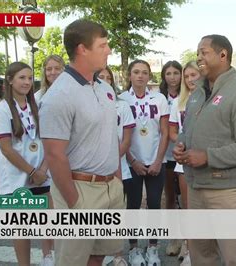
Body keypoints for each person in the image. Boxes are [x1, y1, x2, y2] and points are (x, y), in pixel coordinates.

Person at [173, 34, 236, 266]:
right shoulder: (197, 94)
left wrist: (208, 156)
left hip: (229, 191)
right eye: (197, 53)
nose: (198, 58)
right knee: (202, 256)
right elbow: (187, 130)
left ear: (223, 55)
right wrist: (181, 144)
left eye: (204, 52)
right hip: (197, 188)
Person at [39, 19, 125, 266]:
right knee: (72, 261)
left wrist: (116, 180)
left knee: (98, 255)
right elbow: (54, 155)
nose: (109, 50)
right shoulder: (59, 95)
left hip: (110, 187)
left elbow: (109, 138)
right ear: (81, 49)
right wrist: (74, 202)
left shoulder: (105, 88)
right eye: (103, 45)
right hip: (80, 190)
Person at [0, 62, 53, 266]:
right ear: (10, 80)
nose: (27, 82)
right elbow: (6, 149)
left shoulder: (36, 106)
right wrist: (32, 170)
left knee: (48, 223)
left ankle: (48, 259)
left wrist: (42, 169)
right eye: (21, 78)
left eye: (29, 78)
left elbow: (47, 142)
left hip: (41, 177)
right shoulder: (1, 110)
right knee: (21, 229)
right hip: (16, 180)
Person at [119, 59, 169, 266]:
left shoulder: (159, 98)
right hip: (132, 162)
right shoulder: (121, 99)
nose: (140, 76)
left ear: (149, 76)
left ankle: (153, 247)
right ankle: (133, 248)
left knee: (155, 204)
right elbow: (120, 135)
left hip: (156, 160)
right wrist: (132, 160)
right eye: (136, 72)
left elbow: (165, 132)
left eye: (145, 72)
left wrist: (158, 160)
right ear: (129, 75)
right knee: (132, 205)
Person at [97, 66, 135, 266]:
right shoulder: (90, 103)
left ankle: (118, 255)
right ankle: (98, 256)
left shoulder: (123, 106)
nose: (104, 80)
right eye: (100, 77)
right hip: (94, 169)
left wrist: (112, 157)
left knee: (117, 213)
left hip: (119, 167)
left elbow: (127, 139)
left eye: (107, 77)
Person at [168, 60, 201, 266]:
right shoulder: (178, 102)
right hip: (183, 162)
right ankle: (189, 248)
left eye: (194, 75)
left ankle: (206, 250)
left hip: (206, 160)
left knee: (205, 208)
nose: (190, 79)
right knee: (189, 207)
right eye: (187, 76)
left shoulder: (211, 98)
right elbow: (172, 131)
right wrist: (180, 143)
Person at [159, 60, 184, 257]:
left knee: (186, 198)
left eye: (176, 73)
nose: (173, 77)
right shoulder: (158, 97)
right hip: (165, 154)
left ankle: (187, 240)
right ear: (164, 76)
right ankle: (174, 238)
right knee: (170, 198)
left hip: (184, 153)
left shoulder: (188, 96)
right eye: (169, 73)